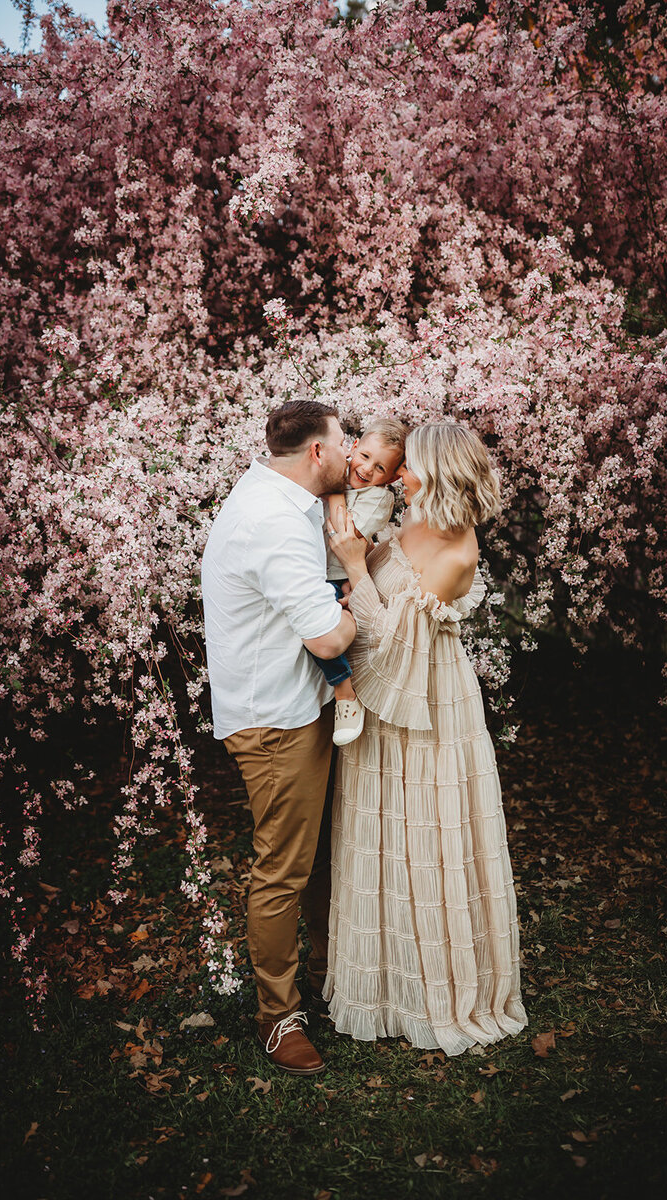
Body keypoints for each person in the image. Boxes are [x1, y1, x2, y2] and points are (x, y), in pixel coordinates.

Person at [323, 421, 528, 1055]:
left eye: (409, 467)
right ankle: (382, 982)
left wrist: (357, 563)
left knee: (426, 833)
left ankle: (434, 990)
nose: (399, 477)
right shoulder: (410, 521)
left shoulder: (457, 553)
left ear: (436, 473)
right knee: (381, 833)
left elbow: (387, 642)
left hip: (427, 703)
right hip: (384, 710)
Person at [201, 399, 356, 1075]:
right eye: (344, 442)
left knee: (316, 857)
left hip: (298, 705)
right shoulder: (273, 521)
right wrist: (355, 609)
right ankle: (277, 1017)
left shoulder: (280, 501)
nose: (352, 455)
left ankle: (328, 977)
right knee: (283, 869)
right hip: (276, 721)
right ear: (316, 452)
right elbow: (325, 634)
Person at [309, 418, 407, 748]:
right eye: (364, 456)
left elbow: (344, 537)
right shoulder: (332, 471)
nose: (366, 469)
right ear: (353, 447)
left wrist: (334, 488)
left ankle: (344, 692)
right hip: (308, 568)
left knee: (318, 629)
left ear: (392, 478)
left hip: (336, 577)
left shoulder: (379, 499)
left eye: (380, 468)